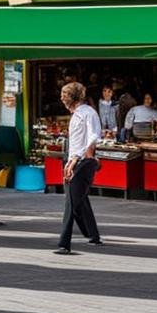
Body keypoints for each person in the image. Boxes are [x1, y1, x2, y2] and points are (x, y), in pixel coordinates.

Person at [54, 82, 103, 254]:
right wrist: (69, 161)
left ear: (72, 97)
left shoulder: (88, 113)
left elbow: (93, 136)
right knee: (79, 200)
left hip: (82, 162)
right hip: (74, 161)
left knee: (71, 203)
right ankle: (93, 235)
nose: (61, 98)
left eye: (64, 95)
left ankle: (64, 243)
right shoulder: (77, 114)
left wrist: (76, 159)